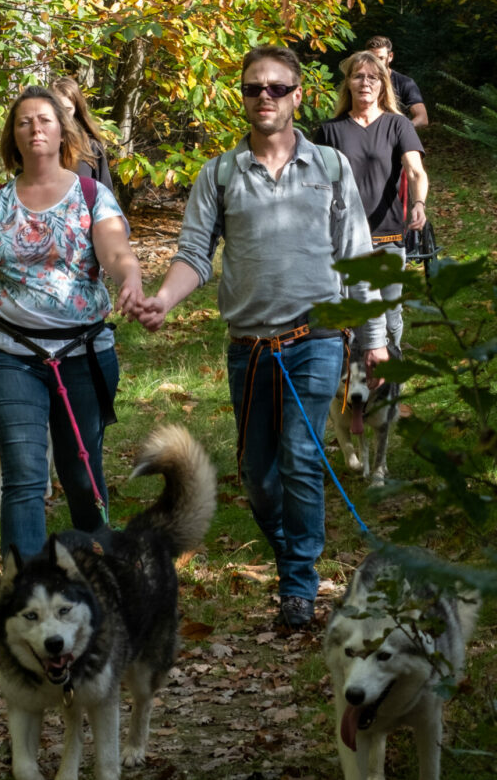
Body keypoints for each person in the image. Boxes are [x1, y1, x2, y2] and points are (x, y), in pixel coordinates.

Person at [134, 46, 389, 629]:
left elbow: (357, 254)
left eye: (277, 87)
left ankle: (298, 584)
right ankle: (292, 552)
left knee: (302, 455)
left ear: (299, 95)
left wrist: (372, 339)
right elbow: (194, 254)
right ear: (243, 98)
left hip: (316, 337)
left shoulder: (329, 166)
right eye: (254, 89)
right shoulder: (220, 173)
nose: (265, 97)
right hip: (248, 347)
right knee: (257, 476)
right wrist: (163, 300)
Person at [0, 85, 144, 560]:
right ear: (13, 136)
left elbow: (116, 252)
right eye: (24, 121)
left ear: (62, 131)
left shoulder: (93, 195)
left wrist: (130, 278)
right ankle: (27, 591)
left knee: (80, 469)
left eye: (45, 120)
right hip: (10, 354)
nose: (35, 128)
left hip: (83, 354)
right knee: (25, 470)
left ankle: (98, 568)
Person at [314, 50, 429, 349]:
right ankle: (353, 391)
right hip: (342, 241)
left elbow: (415, 171)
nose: (365, 82)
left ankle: (390, 389)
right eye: (358, 76)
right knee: (351, 322)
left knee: (389, 318)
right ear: (348, 84)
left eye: (373, 77)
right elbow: (314, 185)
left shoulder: (398, 125)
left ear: (383, 85)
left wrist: (419, 204)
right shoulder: (329, 131)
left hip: (387, 237)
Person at [52, 76, 114, 192]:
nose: (62, 115)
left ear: (76, 109)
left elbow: (106, 198)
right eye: (57, 109)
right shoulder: (36, 145)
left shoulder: (91, 147)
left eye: (67, 109)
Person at [365, 36, 428, 128]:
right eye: (372, 59)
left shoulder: (405, 83)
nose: (376, 63)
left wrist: (402, 130)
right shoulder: (360, 82)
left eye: (381, 58)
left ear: (390, 57)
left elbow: (423, 118)